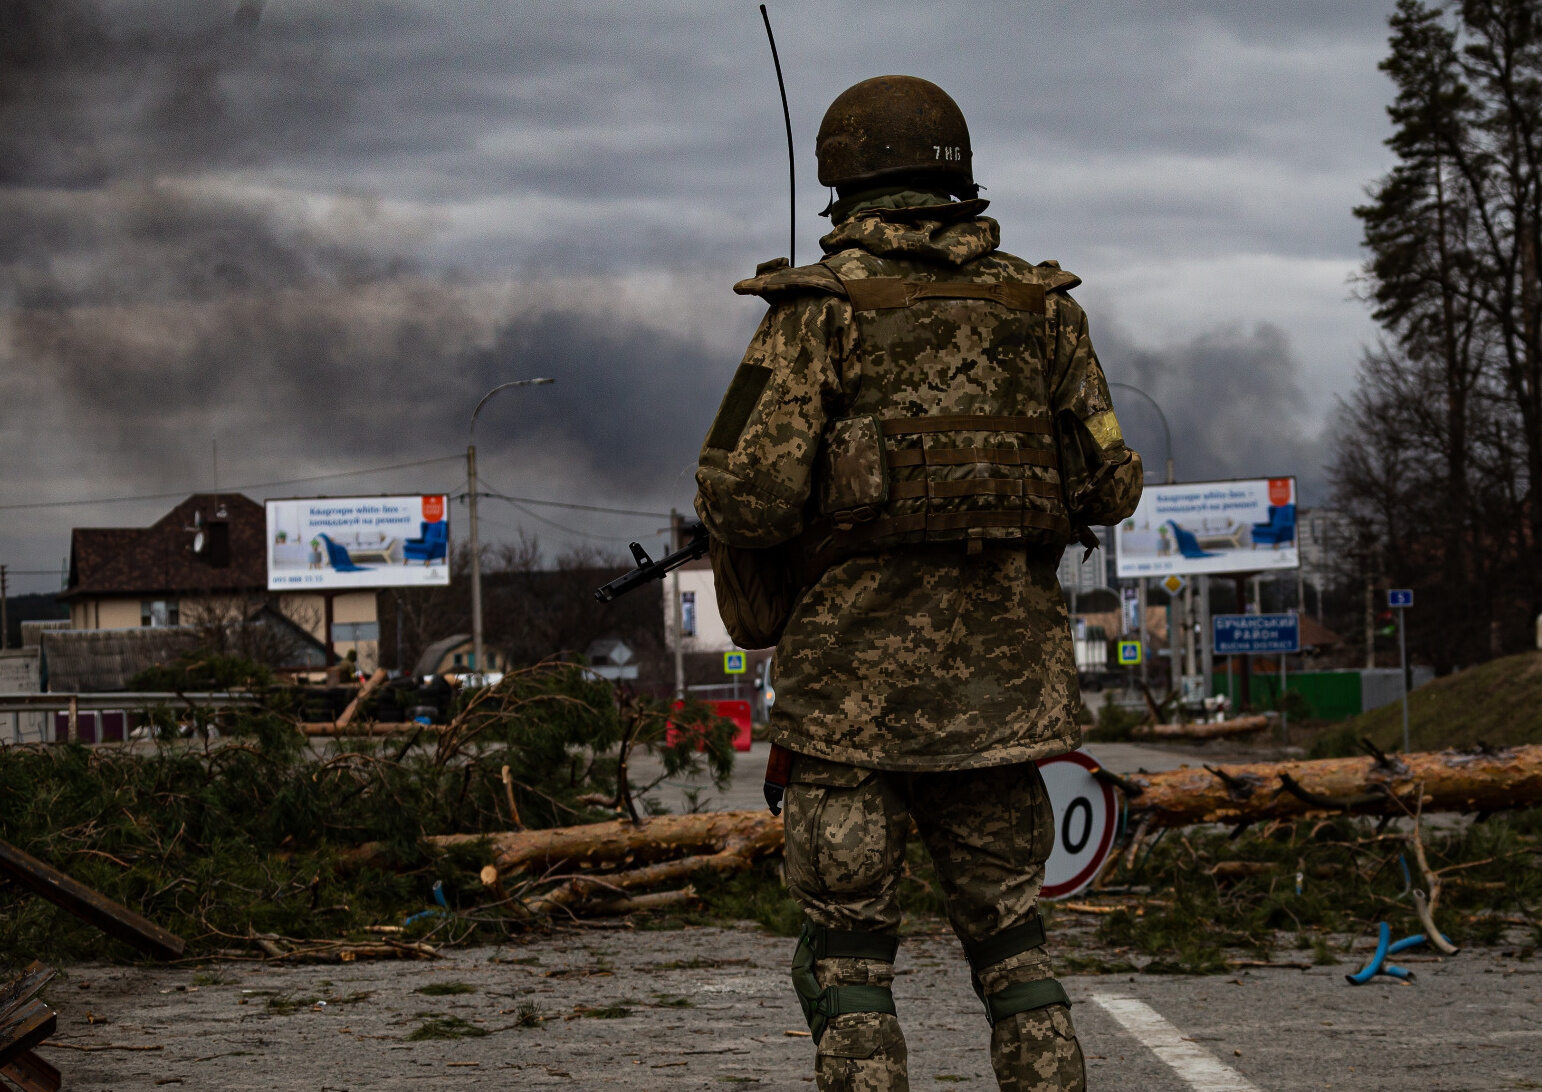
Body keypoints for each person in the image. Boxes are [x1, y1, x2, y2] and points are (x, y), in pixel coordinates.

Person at [694, 75, 1143, 1092]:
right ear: (958, 173)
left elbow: (746, 493)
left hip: (851, 702)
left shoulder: (815, 313)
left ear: (841, 175)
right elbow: (1114, 481)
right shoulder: (1045, 312)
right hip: (1004, 696)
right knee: (1016, 951)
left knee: (851, 962)